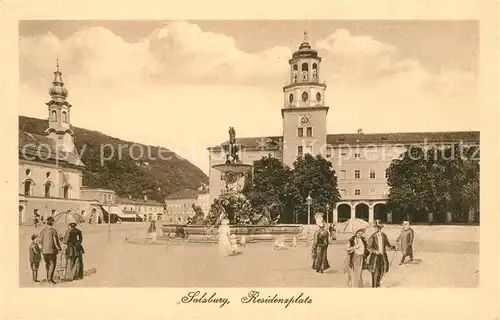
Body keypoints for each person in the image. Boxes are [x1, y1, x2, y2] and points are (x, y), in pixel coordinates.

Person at [366, 220, 396, 288]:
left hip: (383, 256)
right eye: (376, 227)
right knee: (375, 272)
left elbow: (388, 245)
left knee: (382, 271)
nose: (377, 229)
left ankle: (378, 285)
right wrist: (374, 251)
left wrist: (393, 247)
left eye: (379, 227)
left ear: (381, 228)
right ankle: (374, 287)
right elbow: (368, 247)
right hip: (375, 257)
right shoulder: (372, 236)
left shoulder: (384, 236)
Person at [37, 216, 61, 284]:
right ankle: (50, 278)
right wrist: (59, 248)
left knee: (47, 264)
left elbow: (39, 241)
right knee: (53, 264)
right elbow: (56, 242)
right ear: (52, 222)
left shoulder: (43, 230)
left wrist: (45, 244)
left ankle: (48, 277)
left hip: (44, 251)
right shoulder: (54, 231)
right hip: (52, 251)